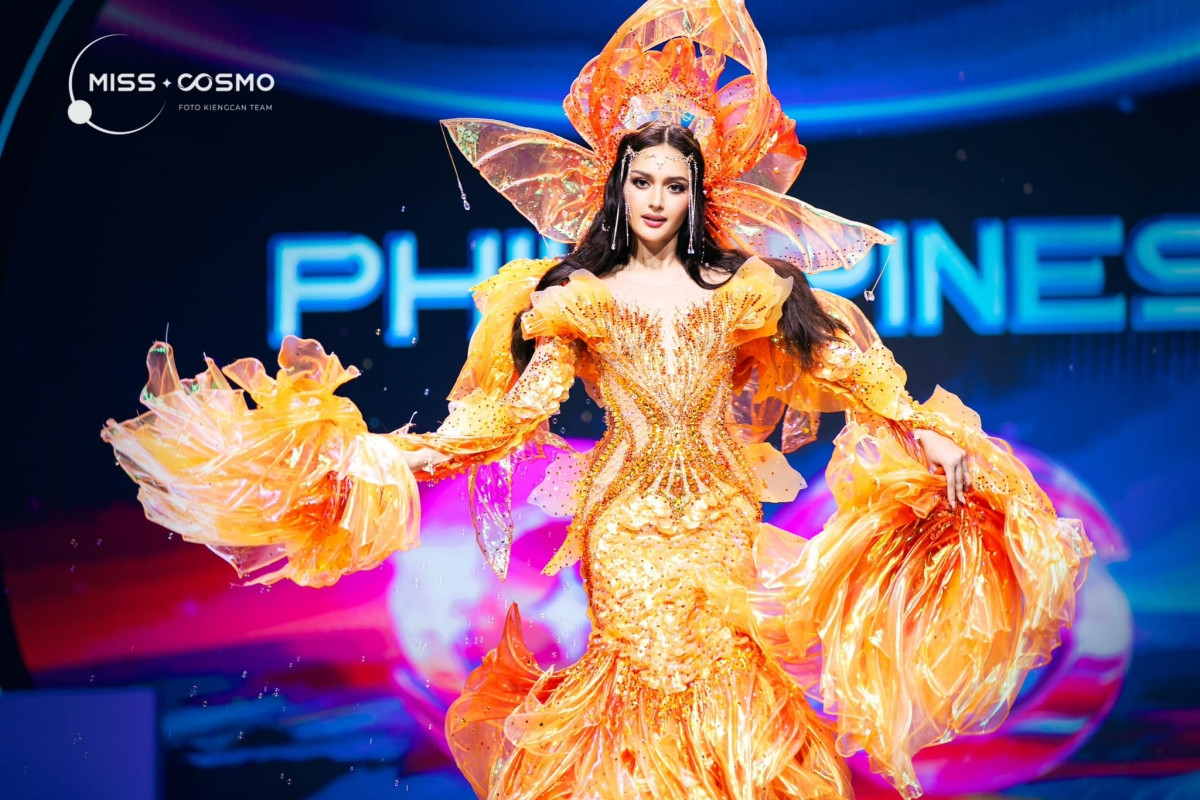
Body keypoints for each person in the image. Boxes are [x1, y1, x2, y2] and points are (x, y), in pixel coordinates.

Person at [101, 1, 1094, 798]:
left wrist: (925, 433)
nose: (657, 199)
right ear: (616, 188)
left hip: (717, 517)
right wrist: (406, 454)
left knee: (730, 688)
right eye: (642, 181)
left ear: (699, 192)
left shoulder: (746, 292)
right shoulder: (574, 299)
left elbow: (848, 371)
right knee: (634, 691)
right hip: (621, 524)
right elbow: (515, 414)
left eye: (674, 183)